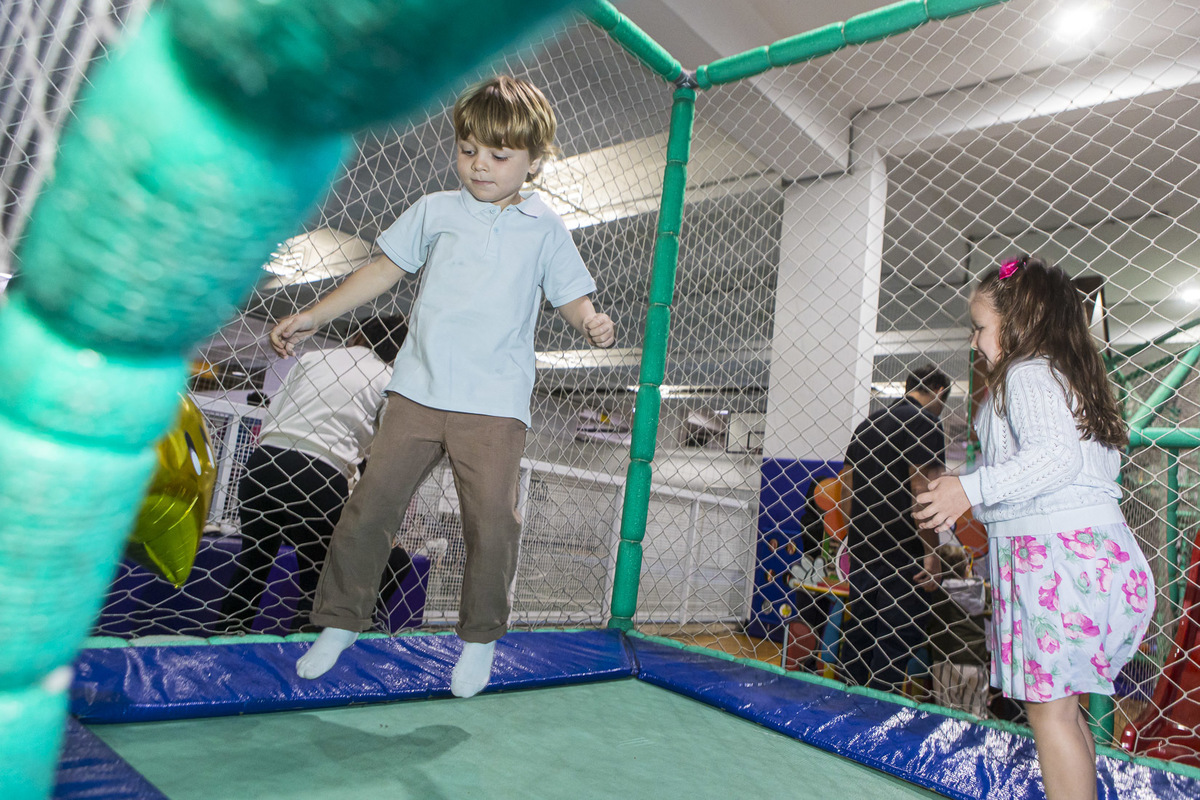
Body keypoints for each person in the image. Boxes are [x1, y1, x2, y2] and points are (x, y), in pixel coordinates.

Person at [270, 75, 615, 697]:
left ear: (534, 161)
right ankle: (340, 622)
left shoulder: (544, 227)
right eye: (467, 150)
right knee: (371, 505)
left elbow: (569, 293)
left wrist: (588, 319)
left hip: (495, 403)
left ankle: (479, 640)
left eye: (498, 155)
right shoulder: (435, 209)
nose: (479, 165)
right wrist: (315, 314)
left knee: (492, 523)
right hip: (417, 392)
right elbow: (383, 270)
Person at [915, 256, 1154, 800]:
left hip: (1057, 563)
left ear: (1019, 323)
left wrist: (970, 489)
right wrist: (970, 487)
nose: (975, 341)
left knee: (1050, 714)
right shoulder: (1060, 375)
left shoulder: (1025, 374)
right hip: (1084, 561)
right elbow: (1044, 465)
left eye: (980, 327)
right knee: (1062, 712)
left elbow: (1054, 457)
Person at [218, 317, 413, 634]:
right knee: (319, 576)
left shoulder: (315, 358)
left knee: (253, 563)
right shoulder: (386, 379)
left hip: (265, 462)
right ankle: (304, 647)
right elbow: (381, 451)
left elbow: (276, 411)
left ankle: (227, 635)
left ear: (358, 335)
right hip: (319, 471)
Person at [837, 364, 951, 693]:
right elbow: (922, 488)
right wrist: (932, 552)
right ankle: (876, 714)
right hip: (904, 552)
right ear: (939, 392)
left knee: (859, 635)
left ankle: (842, 706)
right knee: (895, 643)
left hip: (864, 549)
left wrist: (855, 535)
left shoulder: (867, 424)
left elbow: (845, 488)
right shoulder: (926, 422)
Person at [924, 543, 990, 716]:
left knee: (947, 713)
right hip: (976, 660)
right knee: (976, 713)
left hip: (947, 659)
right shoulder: (980, 591)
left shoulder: (938, 593)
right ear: (966, 568)